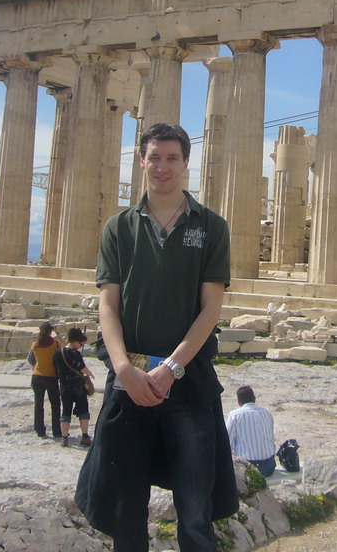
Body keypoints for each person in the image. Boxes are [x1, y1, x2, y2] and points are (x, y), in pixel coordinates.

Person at [75, 122, 238, 552]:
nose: (162, 167)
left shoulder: (211, 226)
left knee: (196, 510)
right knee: (125, 510)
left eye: (172, 158)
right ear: (141, 160)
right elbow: (108, 305)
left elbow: (211, 309)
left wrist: (172, 367)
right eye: (155, 157)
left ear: (186, 163)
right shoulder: (118, 227)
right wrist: (123, 368)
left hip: (187, 380)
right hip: (129, 380)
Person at [54, 327, 95, 447]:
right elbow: (82, 368)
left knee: (66, 411)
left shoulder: (58, 353)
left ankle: (64, 438)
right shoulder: (75, 354)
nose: (80, 346)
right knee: (83, 410)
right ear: (76, 341)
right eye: (80, 343)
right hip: (78, 386)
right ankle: (85, 436)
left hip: (64, 386)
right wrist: (90, 374)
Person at [226, 385, 277, 476]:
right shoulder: (267, 413)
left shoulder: (234, 416)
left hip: (248, 468)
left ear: (239, 402)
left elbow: (227, 444)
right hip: (269, 466)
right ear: (254, 398)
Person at [29, 322, 63, 438]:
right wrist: (57, 333)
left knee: (38, 404)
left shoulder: (35, 345)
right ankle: (57, 431)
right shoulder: (54, 344)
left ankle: (40, 430)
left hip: (37, 375)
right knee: (55, 404)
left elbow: (31, 360)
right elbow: (65, 346)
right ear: (50, 331)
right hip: (50, 376)